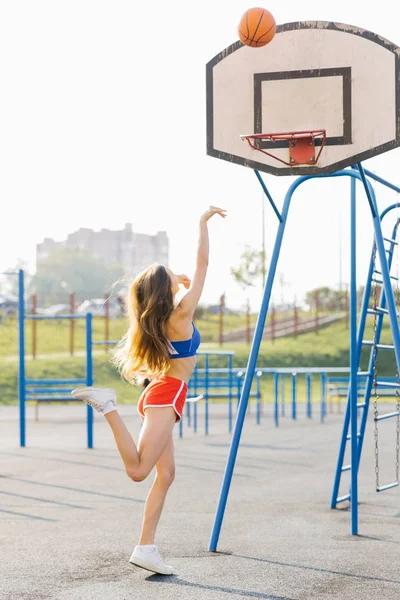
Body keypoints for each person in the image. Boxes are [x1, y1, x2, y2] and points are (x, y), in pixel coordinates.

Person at [71, 206, 226, 575]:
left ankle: (146, 547)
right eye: (172, 274)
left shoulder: (159, 319)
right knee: (140, 471)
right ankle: (108, 406)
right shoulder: (180, 315)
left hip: (162, 392)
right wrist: (201, 225)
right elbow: (203, 265)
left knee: (166, 474)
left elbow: (183, 280)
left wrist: (176, 281)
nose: (179, 275)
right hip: (166, 394)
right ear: (167, 287)